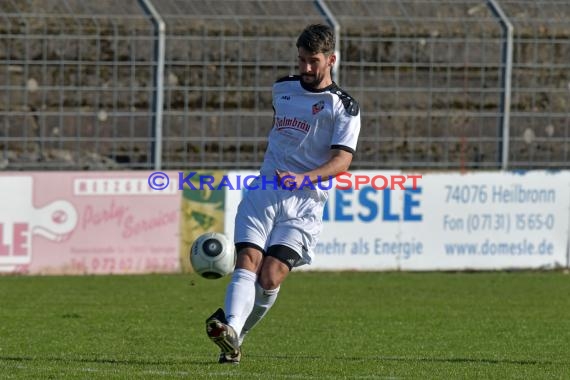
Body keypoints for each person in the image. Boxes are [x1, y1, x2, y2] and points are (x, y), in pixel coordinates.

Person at [205, 23, 361, 364]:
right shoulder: (282, 89)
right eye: (301, 60)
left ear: (331, 59)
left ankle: (236, 335)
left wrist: (303, 178)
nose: (305, 68)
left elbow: (341, 162)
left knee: (271, 275)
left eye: (313, 61)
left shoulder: (344, 107)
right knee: (248, 260)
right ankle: (230, 326)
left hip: (305, 202)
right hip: (265, 190)